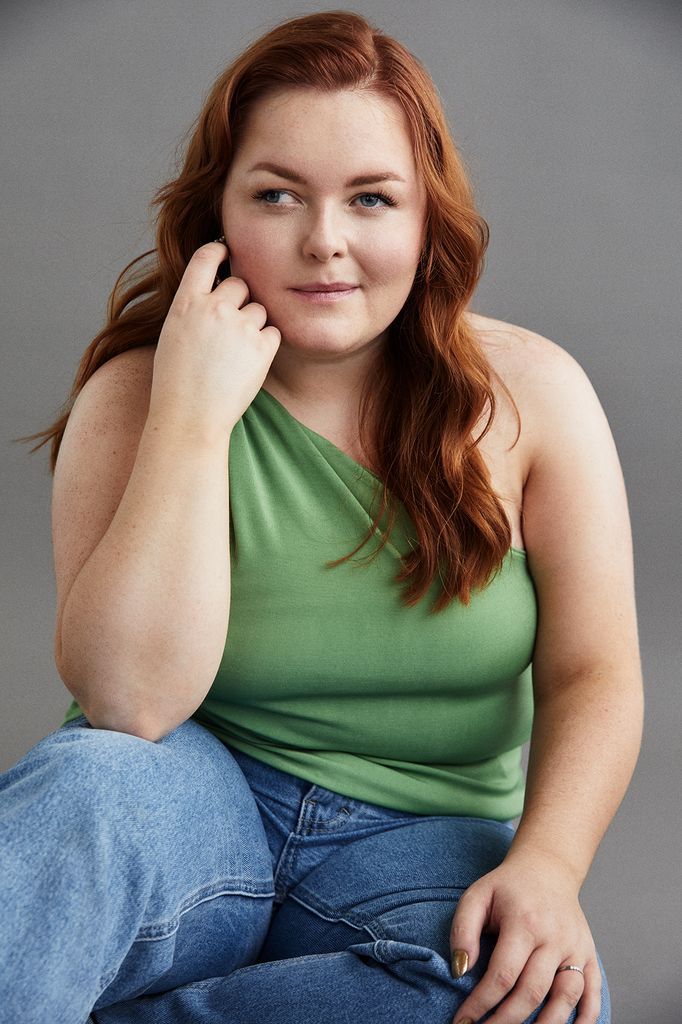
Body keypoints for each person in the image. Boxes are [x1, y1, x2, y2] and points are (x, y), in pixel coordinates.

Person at [3, 10, 643, 1024]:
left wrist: (551, 866)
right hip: (194, 803)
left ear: (425, 217)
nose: (323, 242)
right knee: (82, 792)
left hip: (419, 832)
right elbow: (129, 705)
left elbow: (593, 674)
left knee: (541, 1001)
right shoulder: (136, 395)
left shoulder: (535, 396)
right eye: (277, 195)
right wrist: (192, 413)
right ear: (221, 207)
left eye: (371, 199)